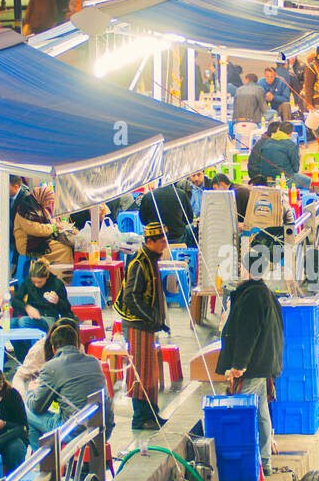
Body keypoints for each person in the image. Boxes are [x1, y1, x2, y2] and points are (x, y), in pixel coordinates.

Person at [215, 252, 284, 469]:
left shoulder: (252, 296)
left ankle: (251, 463)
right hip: (265, 364)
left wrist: (238, 366)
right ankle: (264, 461)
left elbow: (248, 334)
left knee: (248, 413)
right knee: (261, 411)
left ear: (246, 270)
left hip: (254, 366)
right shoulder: (266, 294)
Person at [114, 222, 168, 430]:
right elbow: (131, 298)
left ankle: (152, 414)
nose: (165, 244)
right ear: (150, 242)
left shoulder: (151, 260)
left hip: (148, 325)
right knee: (140, 373)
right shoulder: (139, 263)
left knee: (150, 372)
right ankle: (140, 418)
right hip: (137, 325)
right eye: (161, 240)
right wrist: (150, 318)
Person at [25, 320, 113, 448]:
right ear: (77, 344)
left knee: (27, 411)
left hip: (75, 430)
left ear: (54, 349)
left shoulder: (51, 367)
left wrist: (30, 391)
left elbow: (37, 407)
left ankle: (43, 462)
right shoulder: (94, 361)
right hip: (104, 427)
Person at [10, 258, 72, 329]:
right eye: (33, 282)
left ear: (47, 276)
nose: (36, 284)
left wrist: (57, 301)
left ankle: (30, 340)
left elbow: (67, 308)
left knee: (23, 321)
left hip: (49, 318)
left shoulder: (56, 284)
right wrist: (27, 307)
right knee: (11, 323)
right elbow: (15, 301)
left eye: (40, 282)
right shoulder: (28, 281)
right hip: (30, 316)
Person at [248, 121, 309, 187]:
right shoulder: (290, 145)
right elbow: (296, 169)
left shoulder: (266, 142)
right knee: (308, 180)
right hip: (280, 179)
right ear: (291, 134)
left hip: (264, 177)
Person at [136, 180, 196, 244]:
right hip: (177, 237)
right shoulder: (181, 194)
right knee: (191, 229)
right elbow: (189, 219)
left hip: (155, 238)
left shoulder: (149, 196)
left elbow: (143, 220)